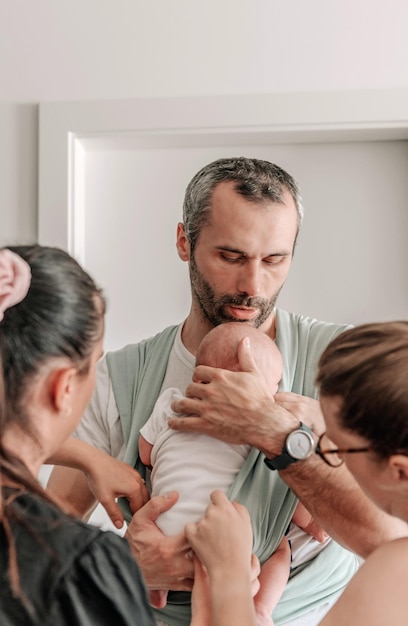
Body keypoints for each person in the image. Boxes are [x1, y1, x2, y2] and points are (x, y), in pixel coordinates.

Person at [47, 157, 406, 626]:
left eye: (274, 260)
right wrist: (129, 568)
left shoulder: (341, 363)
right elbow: (46, 546)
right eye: (231, 257)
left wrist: (276, 432)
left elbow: (390, 541)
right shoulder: (120, 377)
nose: (253, 286)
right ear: (184, 242)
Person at [186, 321, 408, 625]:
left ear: (399, 472)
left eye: (333, 447)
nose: (323, 458)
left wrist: (229, 574)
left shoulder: (395, 571)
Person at [0, 246, 156, 625]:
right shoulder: (78, 565)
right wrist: (226, 581)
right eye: (95, 363)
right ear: (65, 386)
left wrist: (87, 456)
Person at [139, 322, 328, 624]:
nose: (278, 392)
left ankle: (158, 592)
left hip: (167, 539)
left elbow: (146, 453)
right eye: (275, 384)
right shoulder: (253, 437)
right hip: (233, 548)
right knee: (280, 549)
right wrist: (313, 523)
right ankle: (262, 609)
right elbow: (288, 501)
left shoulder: (170, 403)